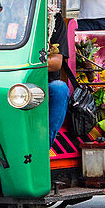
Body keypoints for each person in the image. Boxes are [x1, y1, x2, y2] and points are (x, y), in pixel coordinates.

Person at [47, 12, 71, 146]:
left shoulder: (53, 18)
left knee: (59, 89)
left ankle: (44, 147)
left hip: (42, 84)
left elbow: (56, 63)